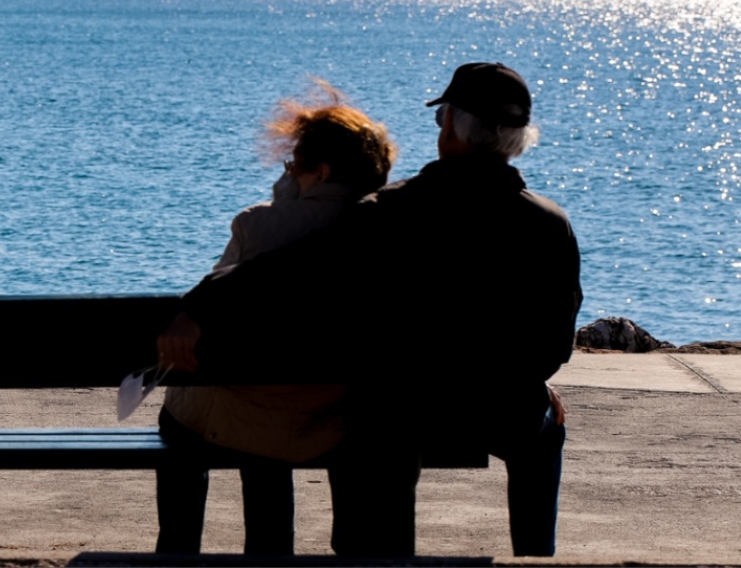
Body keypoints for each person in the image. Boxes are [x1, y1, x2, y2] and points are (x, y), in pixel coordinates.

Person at [157, 62, 581, 558]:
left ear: (450, 126)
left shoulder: (392, 210)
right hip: (500, 406)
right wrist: (525, 382)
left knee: (379, 428)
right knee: (545, 427)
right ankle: (533, 553)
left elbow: (289, 270)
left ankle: (375, 553)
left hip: (403, 406)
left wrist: (197, 304)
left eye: (442, 115)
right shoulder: (551, 224)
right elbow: (554, 343)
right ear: (517, 138)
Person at [155, 88, 397, 556]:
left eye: (292, 167)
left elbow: (211, 321)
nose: (287, 174)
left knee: (191, 415)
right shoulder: (388, 229)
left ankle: (177, 552)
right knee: (271, 422)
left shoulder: (256, 225)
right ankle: (274, 555)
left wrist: (281, 201)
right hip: (335, 412)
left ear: (320, 170)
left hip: (252, 412)